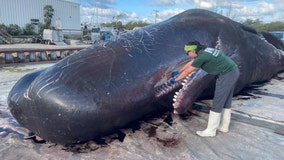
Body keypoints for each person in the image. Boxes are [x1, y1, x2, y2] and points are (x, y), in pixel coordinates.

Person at [171, 40, 239, 137]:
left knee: (218, 101)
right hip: (232, 71)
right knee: (226, 100)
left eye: (188, 52)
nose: (187, 54)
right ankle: (224, 127)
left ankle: (211, 130)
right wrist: (178, 71)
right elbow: (191, 63)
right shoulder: (205, 51)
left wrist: (175, 80)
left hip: (226, 75)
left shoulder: (202, 57)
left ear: (194, 51)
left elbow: (188, 72)